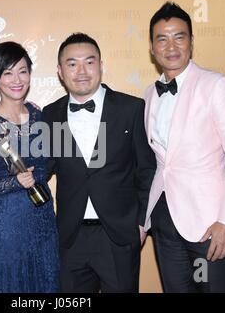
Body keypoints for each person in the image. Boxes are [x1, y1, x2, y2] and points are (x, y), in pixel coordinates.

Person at [143, 2, 225, 293]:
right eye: (162, 38)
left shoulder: (216, 85)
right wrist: (144, 219)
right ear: (152, 48)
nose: (171, 46)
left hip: (209, 225)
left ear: (191, 42)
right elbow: (160, 164)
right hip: (165, 222)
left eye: (179, 36)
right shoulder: (148, 95)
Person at [42, 33, 156, 293]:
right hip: (70, 238)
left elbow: (147, 171)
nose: (81, 71)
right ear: (60, 71)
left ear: (101, 66)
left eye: (89, 62)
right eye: (72, 64)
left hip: (118, 236)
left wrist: (141, 223)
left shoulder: (131, 109)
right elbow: (41, 169)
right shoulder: (51, 114)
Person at [0, 41, 59, 293]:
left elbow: (46, 166)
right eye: (7, 73)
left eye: (22, 71)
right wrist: (13, 182)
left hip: (42, 219)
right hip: (7, 222)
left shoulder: (40, 117)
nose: (16, 79)